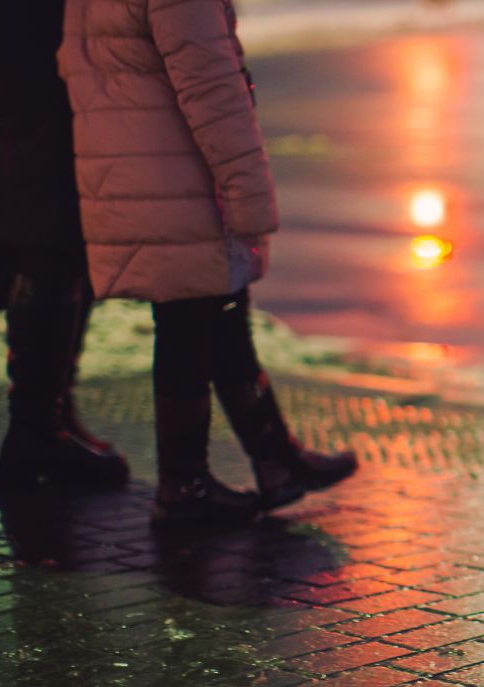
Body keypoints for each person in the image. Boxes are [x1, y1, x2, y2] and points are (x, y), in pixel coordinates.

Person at [58, 0, 357, 529]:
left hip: (134, 164)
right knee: (189, 317)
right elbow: (212, 91)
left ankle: (274, 458)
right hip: (174, 169)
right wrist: (247, 192)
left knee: (215, 307)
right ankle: (184, 485)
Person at [0, 2, 129, 489]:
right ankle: (38, 429)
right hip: (29, 90)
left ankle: (49, 418)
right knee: (50, 250)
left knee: (60, 250)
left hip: (22, 89)